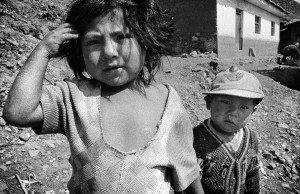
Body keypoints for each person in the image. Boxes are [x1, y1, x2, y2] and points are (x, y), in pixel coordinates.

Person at [3, 0, 204, 193]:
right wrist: (42, 51)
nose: (109, 52)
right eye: (94, 41)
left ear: (146, 39)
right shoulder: (74, 97)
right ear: (79, 51)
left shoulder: (169, 102)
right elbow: (18, 113)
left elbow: (186, 168)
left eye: (121, 37)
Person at [193, 65, 264, 194]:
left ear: (253, 111)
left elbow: (252, 173)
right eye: (225, 102)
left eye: (243, 107)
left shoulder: (250, 138)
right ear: (208, 102)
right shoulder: (195, 141)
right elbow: (188, 183)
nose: (233, 113)